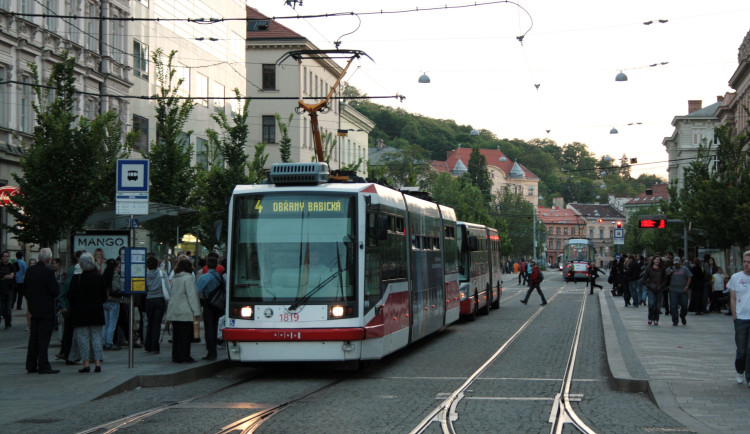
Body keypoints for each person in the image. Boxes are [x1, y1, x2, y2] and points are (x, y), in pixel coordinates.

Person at [68, 252, 107, 373]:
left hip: (81, 313)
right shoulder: (99, 277)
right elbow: (104, 297)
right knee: (96, 337)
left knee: (83, 339)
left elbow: (71, 296)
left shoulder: (77, 278)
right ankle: (97, 363)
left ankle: (86, 364)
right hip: (96, 312)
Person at [24, 248, 60, 374]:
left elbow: (25, 289)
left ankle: (31, 364)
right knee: (43, 339)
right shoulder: (48, 272)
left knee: (34, 338)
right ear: (49, 259)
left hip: (34, 309)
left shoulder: (30, 271)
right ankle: (43, 365)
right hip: (46, 310)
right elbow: (55, 291)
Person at [165, 258, 201, 363]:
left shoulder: (176, 278)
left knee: (177, 336)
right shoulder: (188, 278)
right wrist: (197, 311)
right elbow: (192, 296)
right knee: (185, 337)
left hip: (174, 310)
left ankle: (176, 356)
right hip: (185, 311)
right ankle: (185, 356)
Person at [56, 250, 84, 363]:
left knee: (70, 332)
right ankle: (70, 355)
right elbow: (63, 293)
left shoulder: (74, 272)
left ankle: (70, 354)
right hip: (72, 309)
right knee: (71, 332)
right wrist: (65, 306)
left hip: (72, 308)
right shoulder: (73, 272)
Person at [728, 251, 750, 386]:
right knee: (741, 349)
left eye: (749, 262)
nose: (746, 265)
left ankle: (749, 376)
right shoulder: (736, 277)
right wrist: (734, 315)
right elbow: (733, 297)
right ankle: (740, 370)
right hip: (741, 318)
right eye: (745, 262)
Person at [196, 255, 223, 361]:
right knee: (215, 326)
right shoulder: (220, 277)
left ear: (207, 265)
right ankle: (214, 349)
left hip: (208, 304)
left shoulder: (204, 277)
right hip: (218, 305)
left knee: (209, 328)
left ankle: (211, 351)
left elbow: (196, 290)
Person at [144, 255, 170, 354]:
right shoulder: (162, 274)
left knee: (150, 323)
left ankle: (148, 345)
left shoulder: (145, 275)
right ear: (157, 264)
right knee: (157, 324)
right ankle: (155, 347)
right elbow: (168, 288)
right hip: (160, 300)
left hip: (149, 300)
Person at [666, 256, 692, 326]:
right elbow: (664, 276)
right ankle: (675, 320)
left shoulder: (685, 269)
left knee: (684, 305)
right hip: (673, 290)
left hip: (683, 290)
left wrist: (687, 286)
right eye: (675, 263)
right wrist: (669, 273)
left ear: (680, 262)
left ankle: (682, 316)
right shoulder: (671, 269)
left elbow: (689, 277)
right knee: (673, 306)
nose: (676, 265)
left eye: (677, 263)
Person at [101, 259, 121, 350]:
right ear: (115, 267)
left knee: (105, 324)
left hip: (105, 301)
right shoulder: (115, 276)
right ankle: (109, 343)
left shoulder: (104, 276)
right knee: (112, 324)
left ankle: (103, 342)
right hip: (113, 301)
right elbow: (116, 287)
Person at [643, 256, 667, 326]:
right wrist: (649, 285)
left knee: (657, 305)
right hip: (651, 288)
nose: (658, 261)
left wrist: (662, 285)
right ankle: (650, 318)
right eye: (656, 259)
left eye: (659, 260)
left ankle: (656, 319)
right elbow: (644, 279)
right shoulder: (649, 269)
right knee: (651, 303)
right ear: (653, 260)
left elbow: (665, 279)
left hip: (659, 288)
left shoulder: (662, 269)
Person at [0, 250, 16, 329]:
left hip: (9, 289)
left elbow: (11, 276)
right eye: (4, 256)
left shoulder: (11, 266)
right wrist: (7, 276)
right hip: (1, 289)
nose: (5, 258)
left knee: (8, 308)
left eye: (7, 256)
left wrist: (2, 276)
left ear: (9, 257)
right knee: (1, 308)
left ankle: (8, 323)